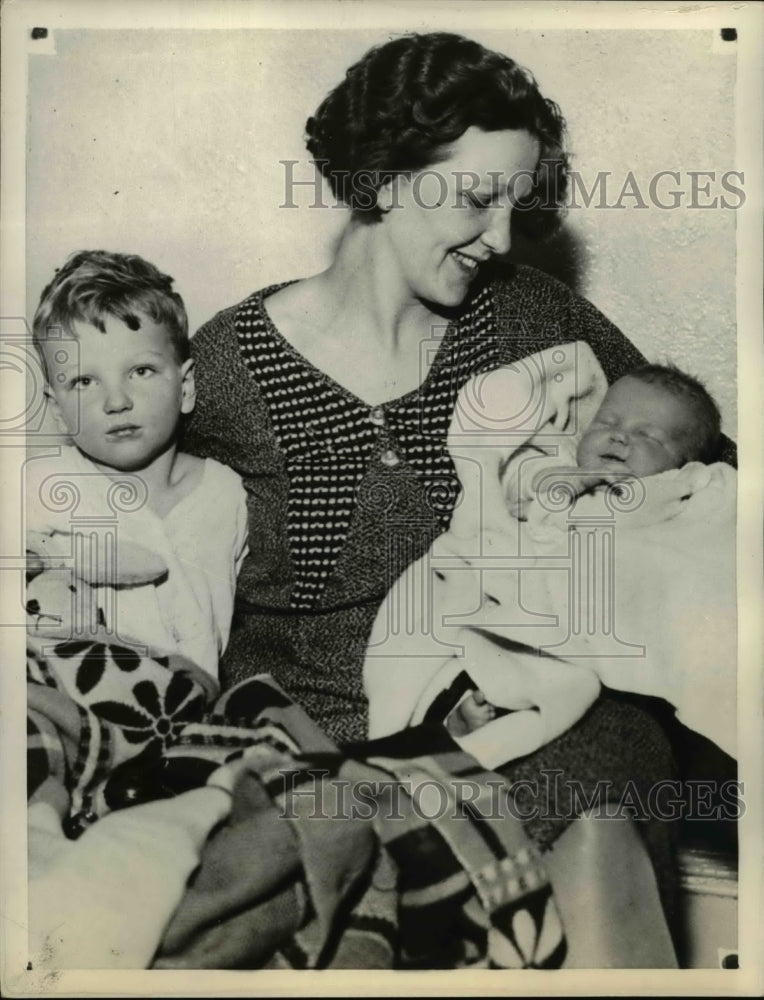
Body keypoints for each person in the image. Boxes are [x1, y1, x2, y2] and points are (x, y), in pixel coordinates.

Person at [183, 32, 734, 965]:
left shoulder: (535, 319)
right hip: (323, 731)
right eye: (479, 199)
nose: (502, 238)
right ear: (388, 175)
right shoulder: (229, 363)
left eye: (515, 206)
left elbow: (696, 464)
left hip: (528, 707)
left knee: (606, 756)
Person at [432, 363, 726, 747]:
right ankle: (460, 710)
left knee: (574, 680)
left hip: (598, 613)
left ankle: (496, 721)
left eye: (647, 435)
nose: (619, 437)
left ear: (684, 464)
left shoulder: (674, 489)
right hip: (532, 590)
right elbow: (516, 489)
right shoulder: (561, 464)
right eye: (606, 423)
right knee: (485, 636)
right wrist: (566, 483)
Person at [28, 250, 249, 680]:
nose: (116, 401)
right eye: (84, 381)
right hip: (79, 712)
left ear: (185, 387)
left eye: (141, 371)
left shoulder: (227, 495)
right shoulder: (41, 486)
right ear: (58, 413)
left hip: (192, 720)